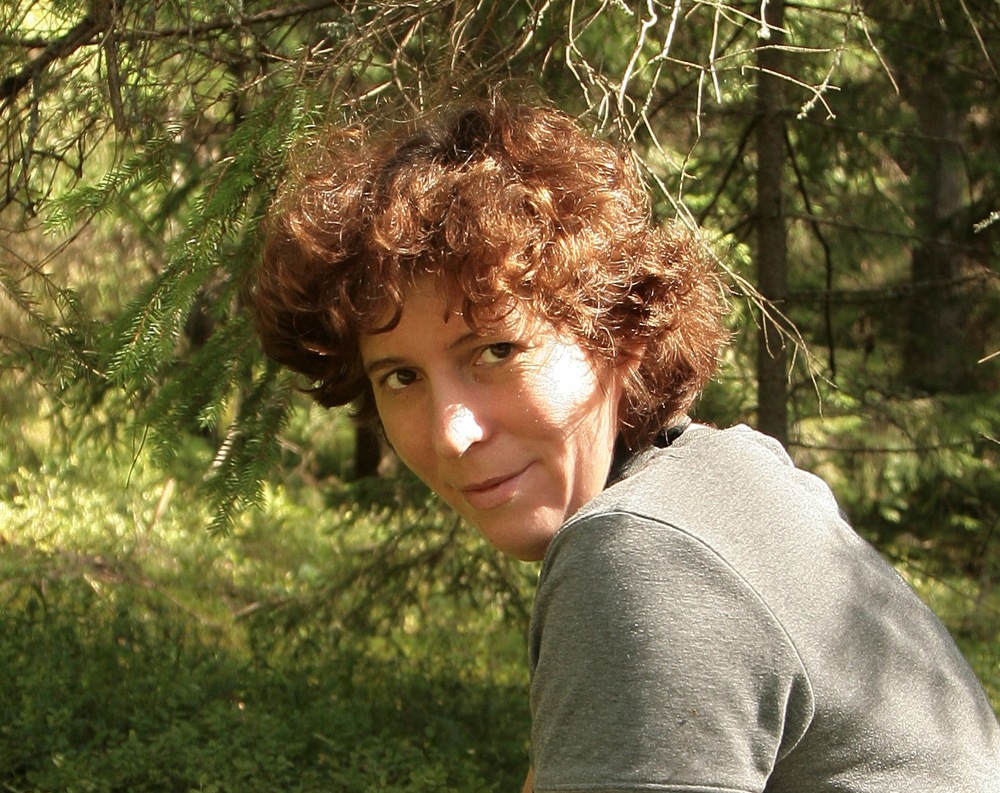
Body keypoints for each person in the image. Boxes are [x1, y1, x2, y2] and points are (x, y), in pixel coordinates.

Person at [249, 96, 1000, 792]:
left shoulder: (646, 556)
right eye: (401, 376)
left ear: (620, 335)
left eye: (497, 351)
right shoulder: (726, 482)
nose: (452, 431)